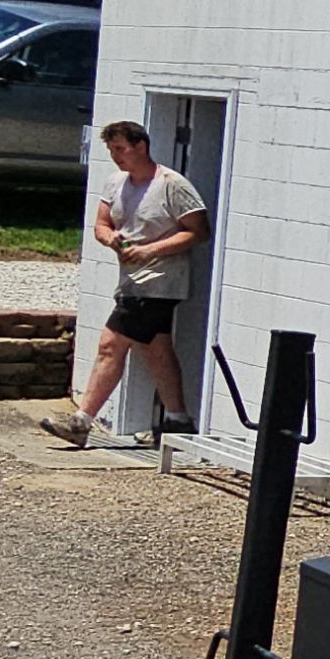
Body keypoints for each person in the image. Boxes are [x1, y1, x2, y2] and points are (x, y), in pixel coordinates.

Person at [40, 120, 209, 447]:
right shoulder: (116, 183)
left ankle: (81, 422)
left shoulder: (172, 184)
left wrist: (150, 250)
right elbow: (101, 224)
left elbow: (198, 230)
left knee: (110, 345)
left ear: (140, 146)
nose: (116, 156)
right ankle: (178, 421)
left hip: (159, 282)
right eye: (111, 150)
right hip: (131, 280)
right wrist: (113, 240)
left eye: (121, 149)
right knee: (156, 347)